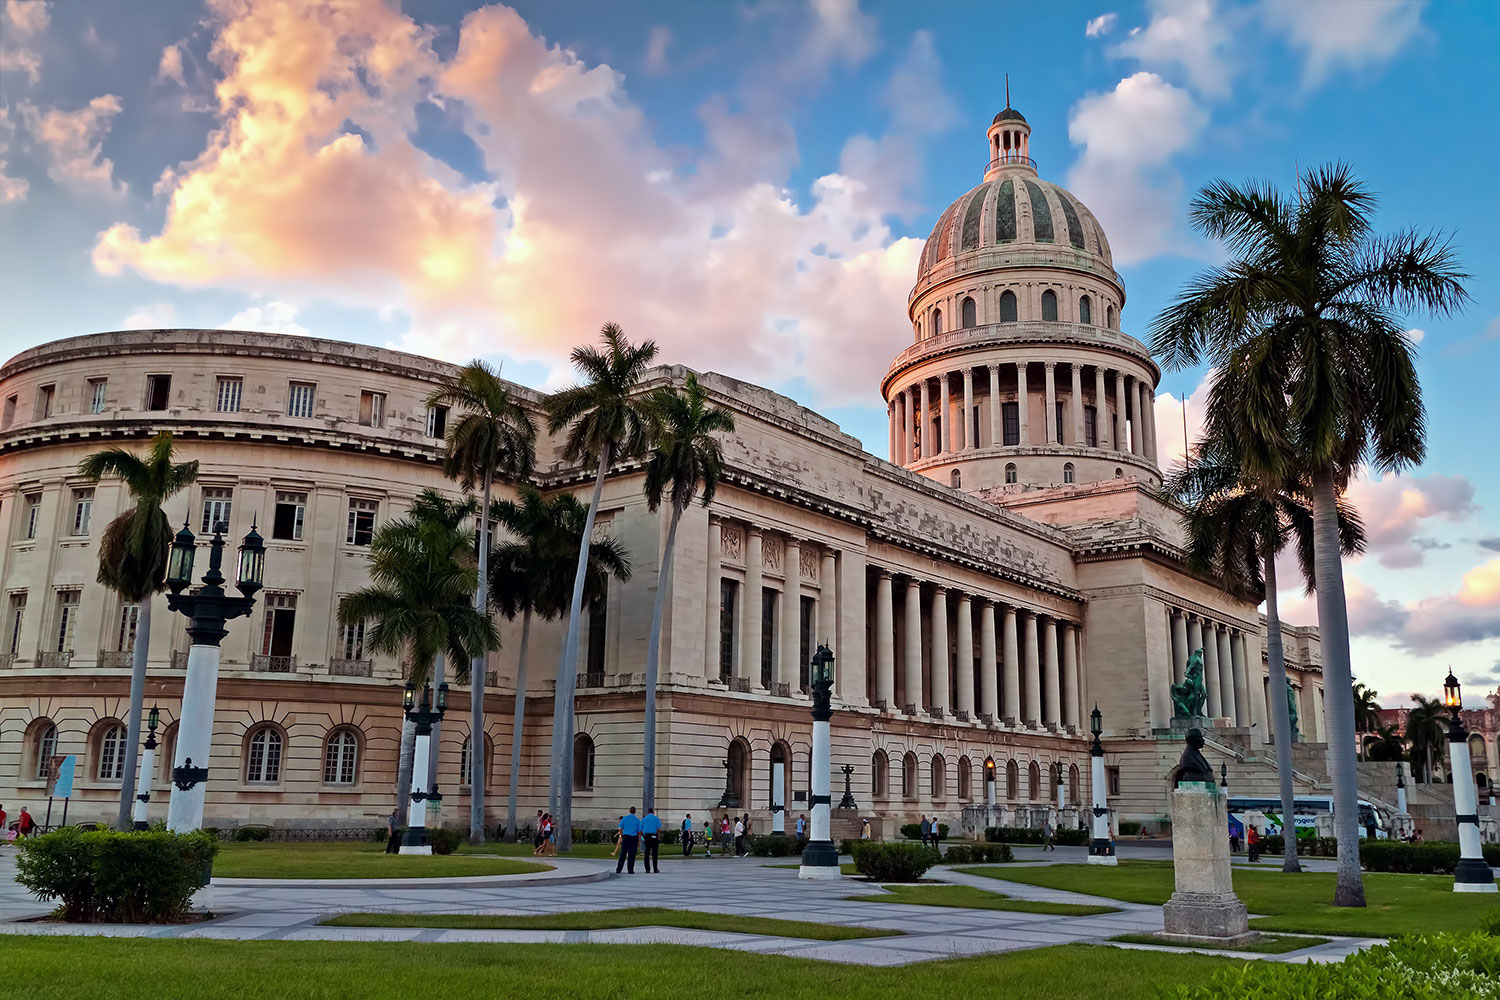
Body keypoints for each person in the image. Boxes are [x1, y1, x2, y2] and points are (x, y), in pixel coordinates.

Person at [616, 807, 642, 874]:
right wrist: (639, 841)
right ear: (635, 812)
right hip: (633, 838)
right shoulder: (637, 820)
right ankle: (630, 870)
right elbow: (639, 832)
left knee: (623, 854)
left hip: (626, 837)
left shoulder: (624, 818)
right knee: (632, 855)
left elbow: (620, 828)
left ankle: (619, 869)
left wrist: (621, 835)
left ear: (629, 811)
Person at [641, 808, 662, 873]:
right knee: (655, 853)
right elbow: (658, 829)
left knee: (646, 852)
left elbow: (641, 829)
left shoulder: (644, 819)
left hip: (647, 836)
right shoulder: (656, 819)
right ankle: (655, 869)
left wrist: (643, 835)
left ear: (648, 812)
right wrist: (658, 837)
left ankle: (647, 869)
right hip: (654, 836)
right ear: (653, 812)